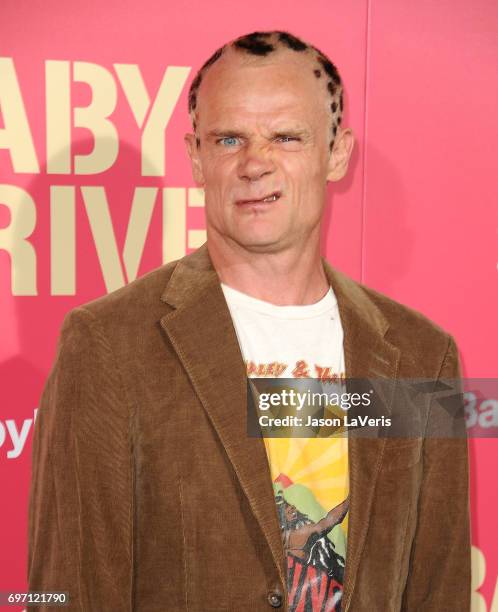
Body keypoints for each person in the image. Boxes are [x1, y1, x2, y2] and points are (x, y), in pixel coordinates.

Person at [29, 30, 471, 611]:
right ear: (196, 157)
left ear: (337, 153)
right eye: (229, 138)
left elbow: (438, 587)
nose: (255, 163)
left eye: (286, 137)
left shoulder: (422, 355)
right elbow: (66, 594)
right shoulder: (108, 344)